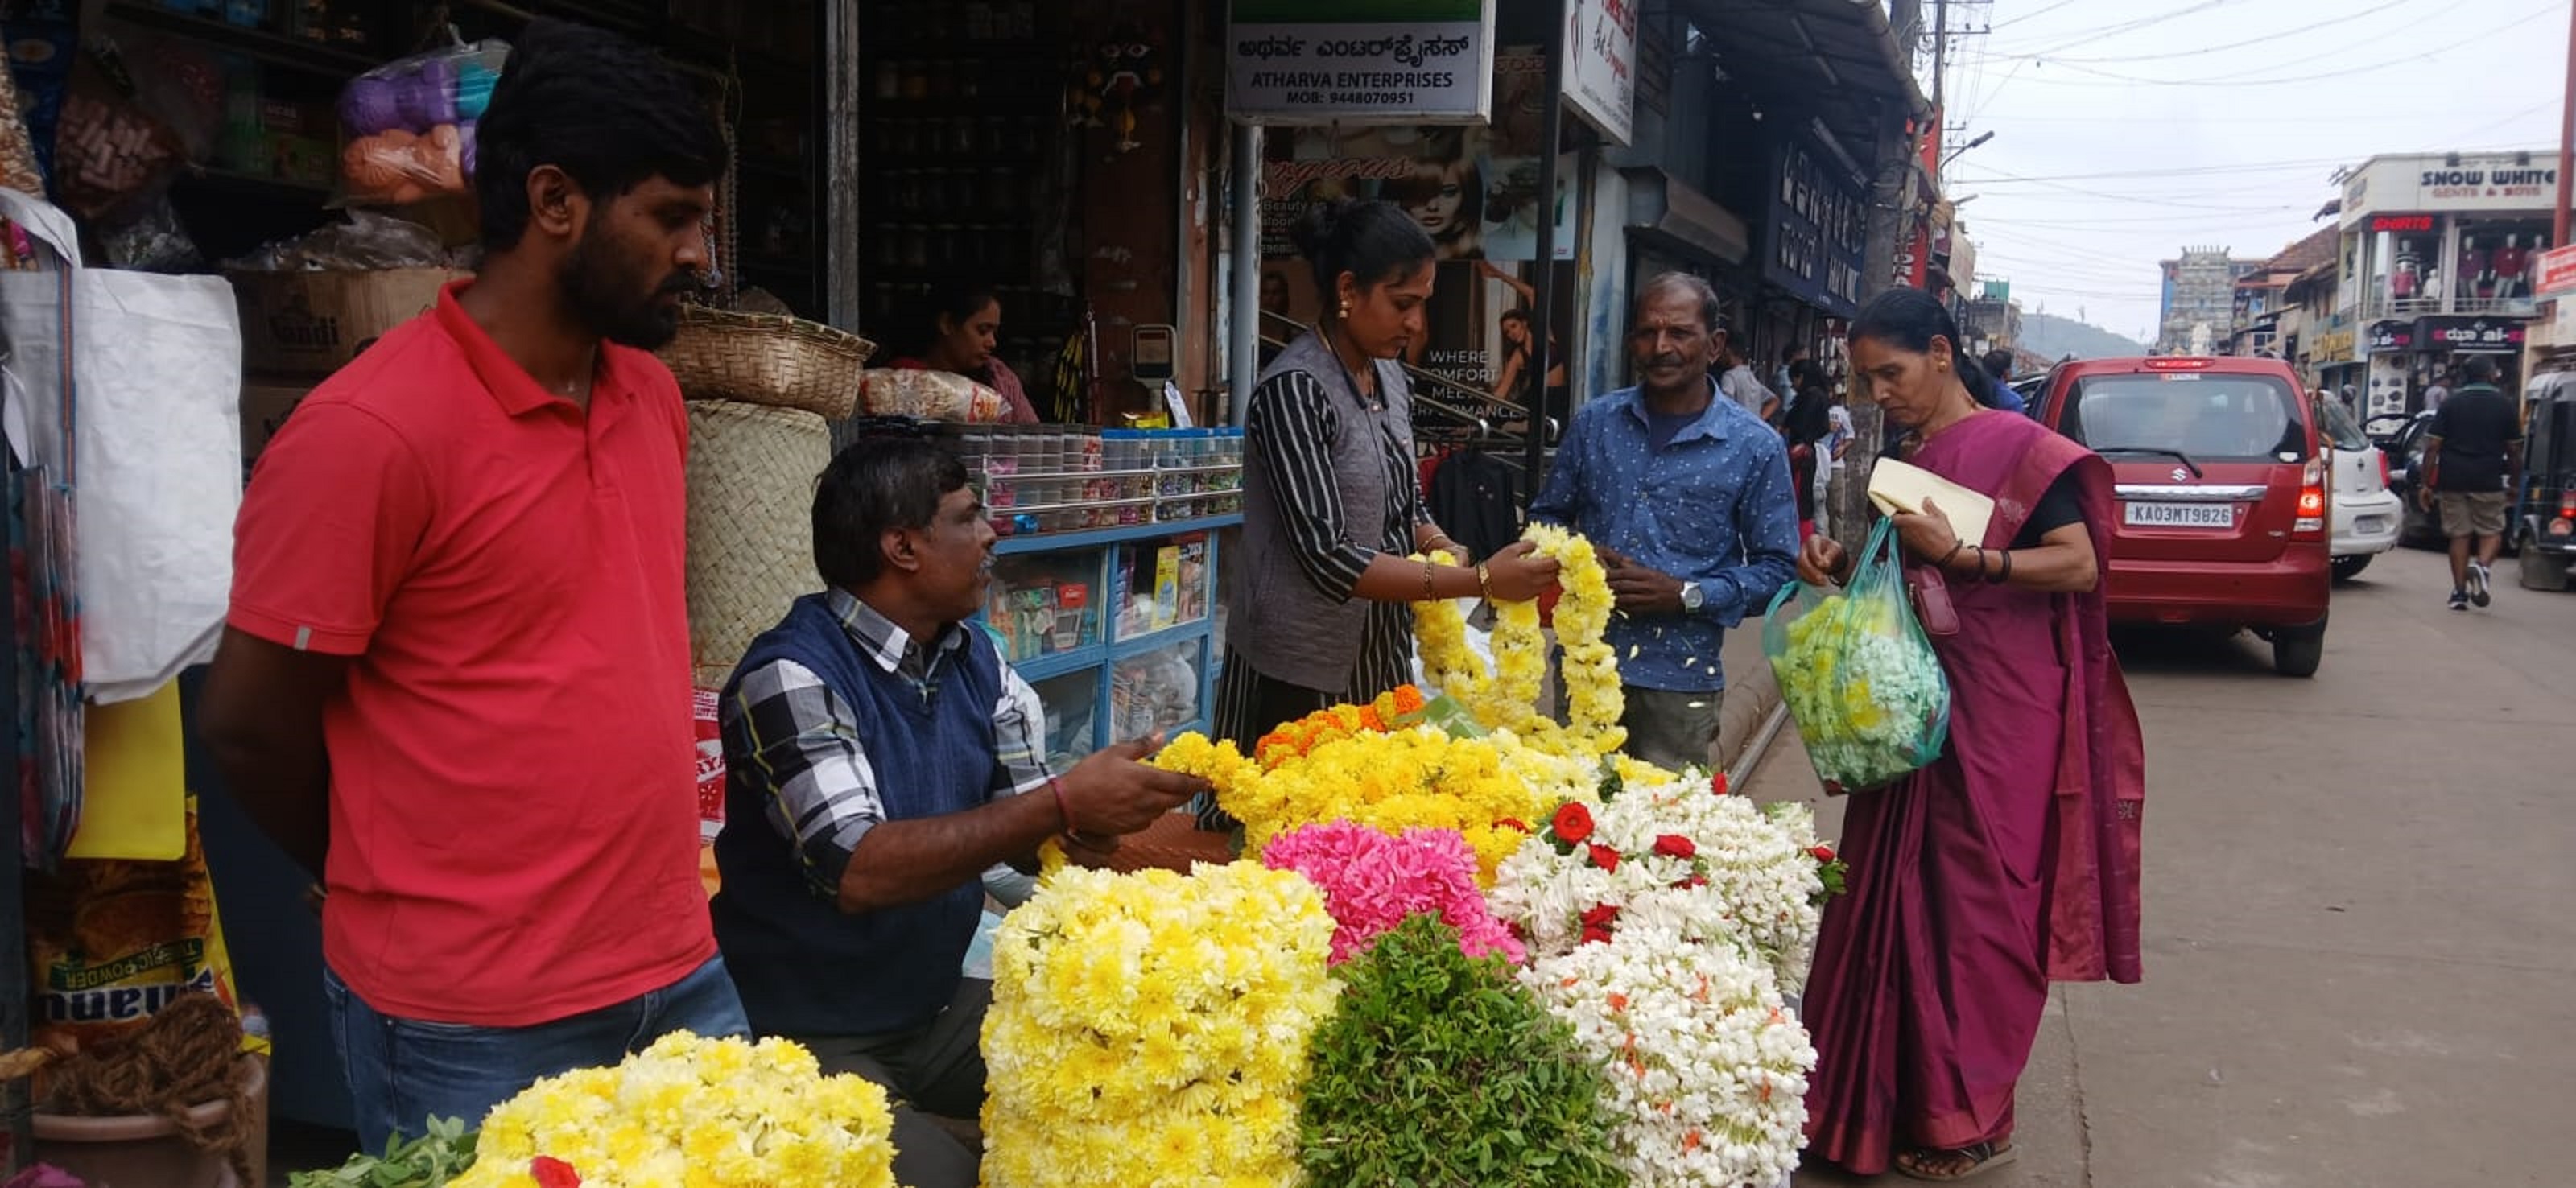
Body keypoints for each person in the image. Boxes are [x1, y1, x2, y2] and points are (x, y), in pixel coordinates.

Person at [196, 20, 745, 1152]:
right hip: (471, 1020)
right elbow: (251, 731)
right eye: (672, 216)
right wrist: (382, 876)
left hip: (678, 968)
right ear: (555, 202)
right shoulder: (369, 433)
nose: (701, 253)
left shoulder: (652, 399)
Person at [712, 435, 1209, 1186]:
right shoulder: (791, 674)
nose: (992, 533)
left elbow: (1023, 829)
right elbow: (859, 868)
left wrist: (1101, 818)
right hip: (807, 1030)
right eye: (969, 517)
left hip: (934, 1007)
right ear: (903, 546)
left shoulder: (971, 656)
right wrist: (1064, 800)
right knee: (952, 1176)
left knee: (1140, 1076)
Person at [1797, 287, 2145, 1182]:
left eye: (1892, 373)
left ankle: (1968, 1120)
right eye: (1865, 379)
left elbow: (2076, 564)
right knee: (1887, 896)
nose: (1879, 394)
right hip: (1912, 706)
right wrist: (1846, 562)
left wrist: (1965, 558)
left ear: (1943, 354)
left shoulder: (2023, 449)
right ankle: (1868, 1112)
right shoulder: (1907, 454)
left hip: (2002, 706)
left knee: (1981, 910)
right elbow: (1899, 573)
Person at [1216, 198, 1559, 765]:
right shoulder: (1295, 390)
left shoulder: (1389, 377)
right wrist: (1479, 581)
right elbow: (1328, 557)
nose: (1417, 324)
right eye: (1403, 304)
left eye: (1424, 304)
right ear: (1348, 290)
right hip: (1301, 669)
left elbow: (1405, 502)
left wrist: (1439, 543)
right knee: (1293, 825)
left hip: (1379, 653)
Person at [1529, 273, 1799, 773]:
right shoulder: (1595, 423)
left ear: (1714, 344)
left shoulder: (1754, 446)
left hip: (1681, 682)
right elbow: (1546, 517)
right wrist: (1577, 555)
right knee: (1569, 827)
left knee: (1667, 836)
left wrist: (1685, 594)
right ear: (1632, 341)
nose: (1661, 347)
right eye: (1648, 333)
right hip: (1586, 667)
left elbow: (1779, 572)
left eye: (1679, 332)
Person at [2420, 355, 2524, 610]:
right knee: (2491, 531)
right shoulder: (2505, 405)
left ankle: (2458, 593)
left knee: (2459, 535)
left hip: (2452, 480)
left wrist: (2426, 484)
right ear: (2490, 375)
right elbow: (2514, 451)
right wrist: (2514, 482)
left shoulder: (2451, 404)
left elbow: (2433, 446)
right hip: (2487, 479)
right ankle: (2482, 567)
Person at [888, 281, 1042, 423]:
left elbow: (1033, 438)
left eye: (994, 332)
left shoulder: (999, 377)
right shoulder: (904, 380)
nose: (992, 343)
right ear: (947, 324)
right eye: (982, 331)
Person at [1480, 260, 1568, 422]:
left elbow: (1532, 294)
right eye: (1507, 332)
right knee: (1499, 419)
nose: (1511, 333)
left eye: (1513, 326)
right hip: (1538, 399)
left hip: (1560, 396)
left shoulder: (1544, 333)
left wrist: (1499, 275)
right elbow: (1502, 390)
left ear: (1524, 323)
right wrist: (1485, 414)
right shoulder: (1518, 355)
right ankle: (1478, 428)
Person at [1715, 338, 1781, 423]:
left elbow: (1725, 404)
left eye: (1719, 352)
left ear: (1728, 351)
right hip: (1751, 432)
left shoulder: (1729, 376)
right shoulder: (1751, 377)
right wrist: (1758, 421)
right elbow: (1774, 401)